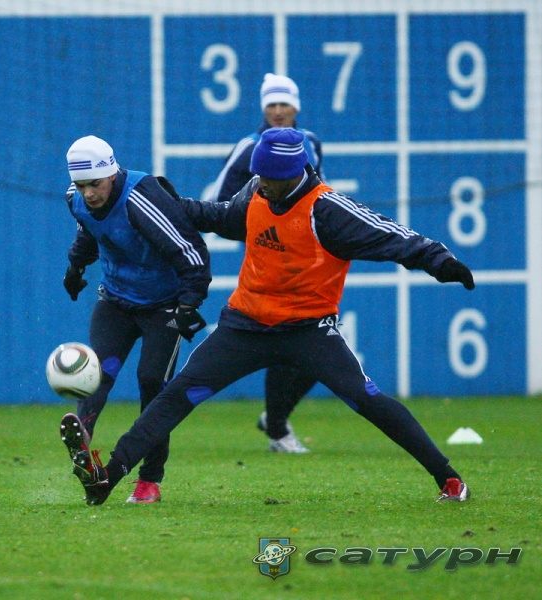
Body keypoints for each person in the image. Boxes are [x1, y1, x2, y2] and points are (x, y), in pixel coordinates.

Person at [65, 127, 474, 506]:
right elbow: (218, 216)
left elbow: (391, 235)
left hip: (308, 330)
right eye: (257, 174)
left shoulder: (327, 210)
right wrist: (168, 203)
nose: (259, 181)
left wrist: (440, 261)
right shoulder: (256, 193)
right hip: (244, 326)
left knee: (366, 400)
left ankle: (448, 478)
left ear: (292, 173)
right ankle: (108, 477)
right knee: (174, 396)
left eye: (267, 177)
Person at [59, 135, 211, 504]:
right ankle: (83, 443)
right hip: (115, 300)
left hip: (164, 306)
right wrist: (76, 267)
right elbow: (89, 232)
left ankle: (149, 480)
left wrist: (188, 303)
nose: (88, 193)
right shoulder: (76, 199)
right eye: (82, 185)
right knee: (98, 372)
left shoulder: (141, 199)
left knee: (152, 385)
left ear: (111, 174)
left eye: (95, 183)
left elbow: (190, 251)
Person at [206, 73, 325, 454]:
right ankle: (277, 430)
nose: (277, 110)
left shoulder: (310, 143)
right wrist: (263, 231)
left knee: (319, 347)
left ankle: (275, 419)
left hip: (306, 263)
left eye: (284, 103)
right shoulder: (249, 147)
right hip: (266, 263)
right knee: (285, 339)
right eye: (271, 104)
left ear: (296, 107)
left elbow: (318, 195)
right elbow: (219, 201)